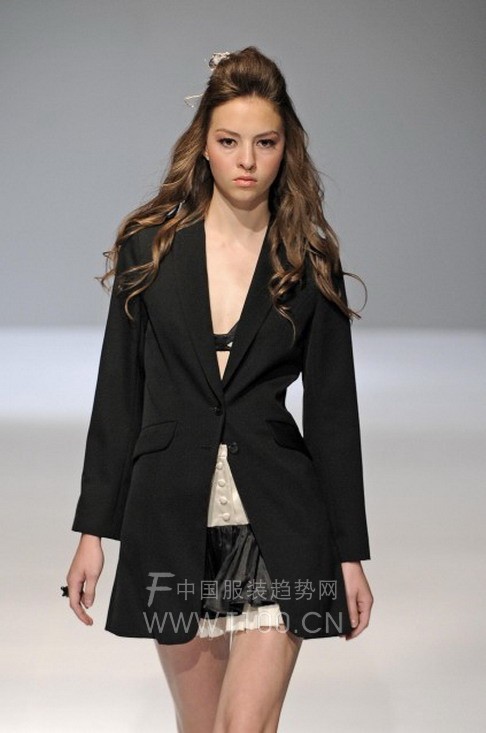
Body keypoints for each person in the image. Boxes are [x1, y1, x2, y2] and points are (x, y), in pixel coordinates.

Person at [64, 46, 374, 733]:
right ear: (203, 145)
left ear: (286, 148)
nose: (247, 160)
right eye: (230, 141)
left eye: (265, 142)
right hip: (171, 519)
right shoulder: (151, 249)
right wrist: (92, 532)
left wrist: (349, 552)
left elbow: (333, 415)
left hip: (279, 522)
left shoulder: (308, 259)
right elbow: (118, 395)